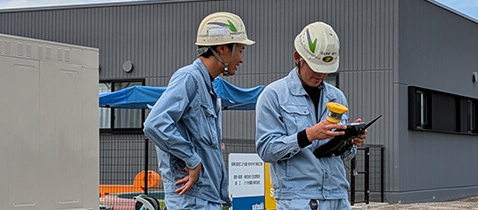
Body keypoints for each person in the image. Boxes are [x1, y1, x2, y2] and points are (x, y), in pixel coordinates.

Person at [143, 11, 254, 209]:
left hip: (203, 198)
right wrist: (192, 160)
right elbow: (154, 124)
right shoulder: (189, 78)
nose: (241, 59)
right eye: (240, 50)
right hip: (191, 200)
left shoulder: (208, 86)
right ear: (222, 49)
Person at [255, 22, 367, 210]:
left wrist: (350, 141)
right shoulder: (274, 95)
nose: (321, 74)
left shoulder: (336, 96)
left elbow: (345, 156)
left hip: (337, 196)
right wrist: (308, 135)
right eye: (315, 67)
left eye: (326, 68)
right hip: (298, 199)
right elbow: (266, 149)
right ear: (297, 57)